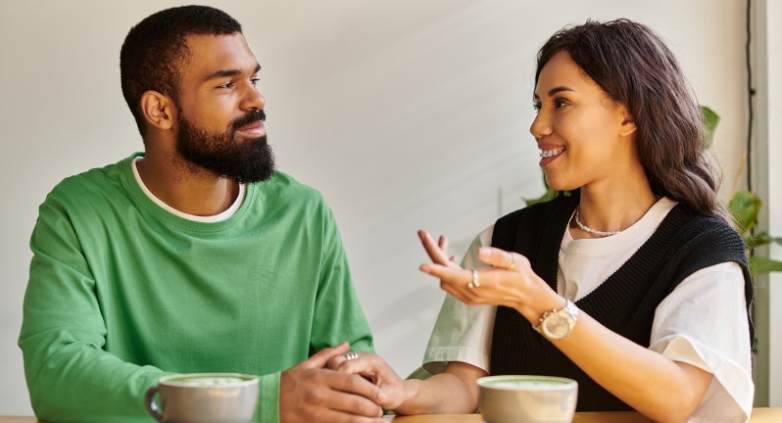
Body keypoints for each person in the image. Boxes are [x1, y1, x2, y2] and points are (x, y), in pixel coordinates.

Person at [327, 19, 754, 423]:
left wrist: (540, 303)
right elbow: (467, 385)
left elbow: (675, 397)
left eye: (561, 103)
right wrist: (402, 393)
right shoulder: (507, 239)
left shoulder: (703, 251)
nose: (537, 125)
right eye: (539, 105)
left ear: (628, 116)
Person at [18, 6, 388, 423]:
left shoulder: (303, 213)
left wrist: (359, 378)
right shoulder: (80, 212)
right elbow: (58, 375)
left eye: (254, 78)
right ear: (160, 110)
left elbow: (352, 363)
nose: (257, 99)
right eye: (228, 84)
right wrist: (255, 403)